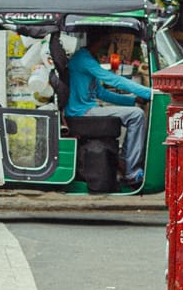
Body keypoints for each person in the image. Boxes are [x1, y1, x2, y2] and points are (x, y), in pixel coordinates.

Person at [64, 30, 153, 189]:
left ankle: (126, 163)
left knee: (135, 111)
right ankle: (131, 172)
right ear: (101, 40)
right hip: (81, 113)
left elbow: (101, 93)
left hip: (87, 109)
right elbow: (113, 80)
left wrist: (133, 99)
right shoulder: (83, 59)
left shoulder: (87, 58)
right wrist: (150, 92)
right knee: (137, 115)